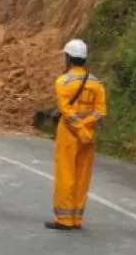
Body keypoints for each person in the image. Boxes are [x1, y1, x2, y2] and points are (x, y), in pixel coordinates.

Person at [46, 39, 107, 231]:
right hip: (88, 137)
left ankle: (64, 219)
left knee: (66, 175)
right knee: (82, 176)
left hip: (69, 135)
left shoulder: (63, 82)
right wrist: (87, 128)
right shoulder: (96, 83)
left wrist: (79, 128)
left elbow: (67, 111)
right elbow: (100, 111)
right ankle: (76, 218)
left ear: (68, 58)